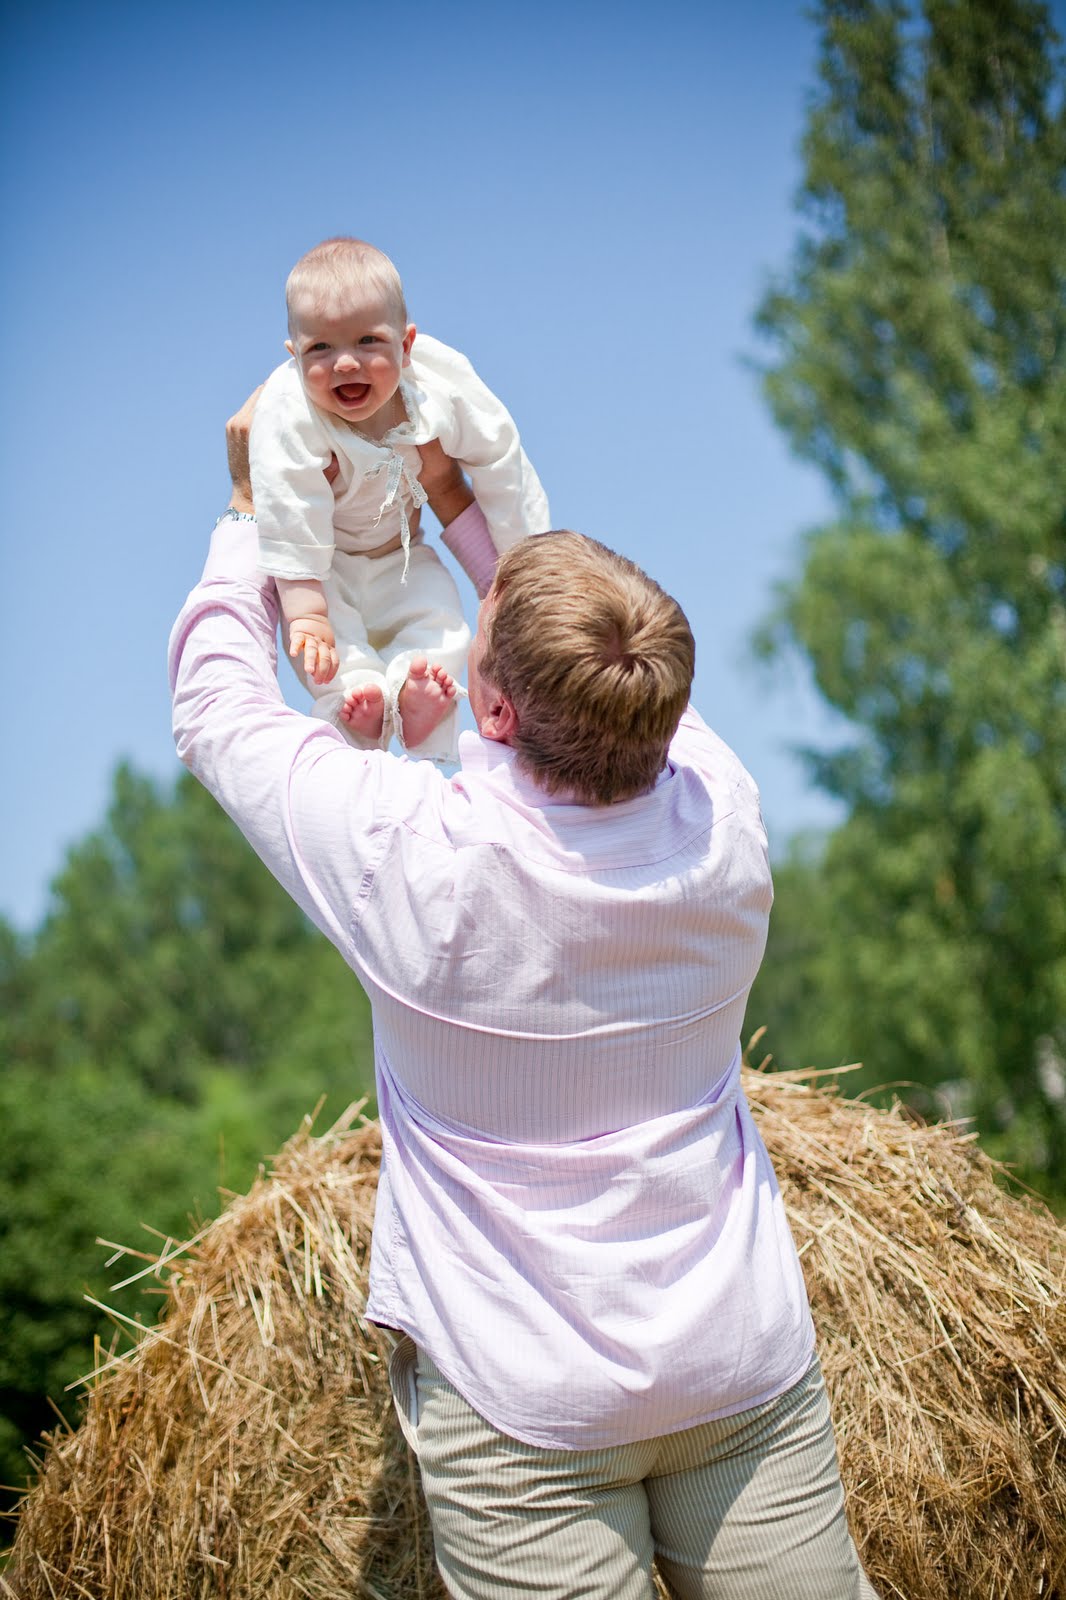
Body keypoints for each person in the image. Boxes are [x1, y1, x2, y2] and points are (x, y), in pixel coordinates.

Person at [168, 393, 880, 1600]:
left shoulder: (412, 860)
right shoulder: (725, 831)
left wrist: (254, 511)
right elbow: (609, 659)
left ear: (492, 711)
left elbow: (218, 711)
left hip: (521, 1406)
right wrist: (462, 498)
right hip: (737, 1363)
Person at [250, 235, 549, 761]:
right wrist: (307, 613)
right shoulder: (289, 411)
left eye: (368, 341)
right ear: (294, 356)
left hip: (402, 556)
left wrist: (519, 571)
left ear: (406, 345)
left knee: (439, 618)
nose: (346, 363)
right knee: (326, 645)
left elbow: (499, 459)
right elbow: (287, 508)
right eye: (321, 348)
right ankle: (359, 706)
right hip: (325, 565)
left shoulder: (437, 386)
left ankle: (419, 700)